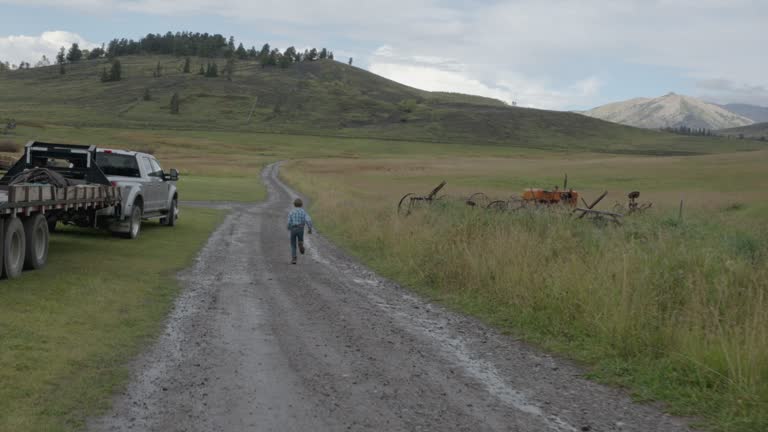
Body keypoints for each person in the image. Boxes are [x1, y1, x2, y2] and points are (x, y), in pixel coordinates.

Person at [287, 198, 313, 264]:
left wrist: (289, 227)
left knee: (293, 244)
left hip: (293, 228)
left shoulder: (291, 212)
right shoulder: (303, 212)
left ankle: (294, 259)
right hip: (300, 228)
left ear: (294, 204)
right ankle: (301, 245)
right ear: (301, 205)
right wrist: (309, 228)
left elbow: (289, 221)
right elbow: (308, 220)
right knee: (300, 240)